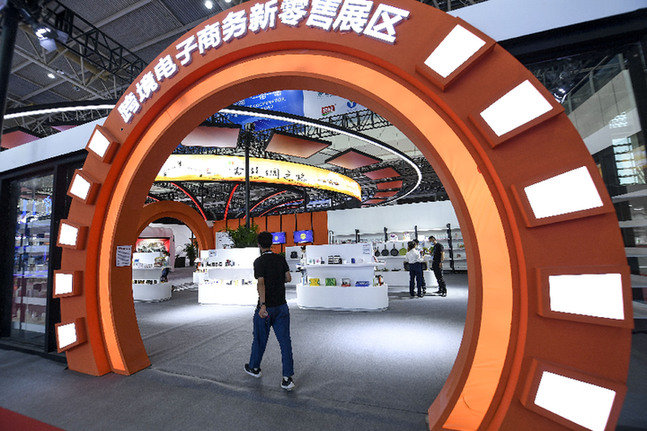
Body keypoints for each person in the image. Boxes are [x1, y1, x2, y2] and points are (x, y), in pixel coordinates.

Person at [244, 231, 295, 391]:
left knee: (259, 338)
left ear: (259, 245)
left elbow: (261, 283)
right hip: (282, 306)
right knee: (285, 342)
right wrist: (277, 279)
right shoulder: (280, 259)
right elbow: (288, 278)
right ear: (272, 243)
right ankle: (287, 378)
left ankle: (254, 368)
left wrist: (263, 304)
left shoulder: (259, 262)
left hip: (266, 308)